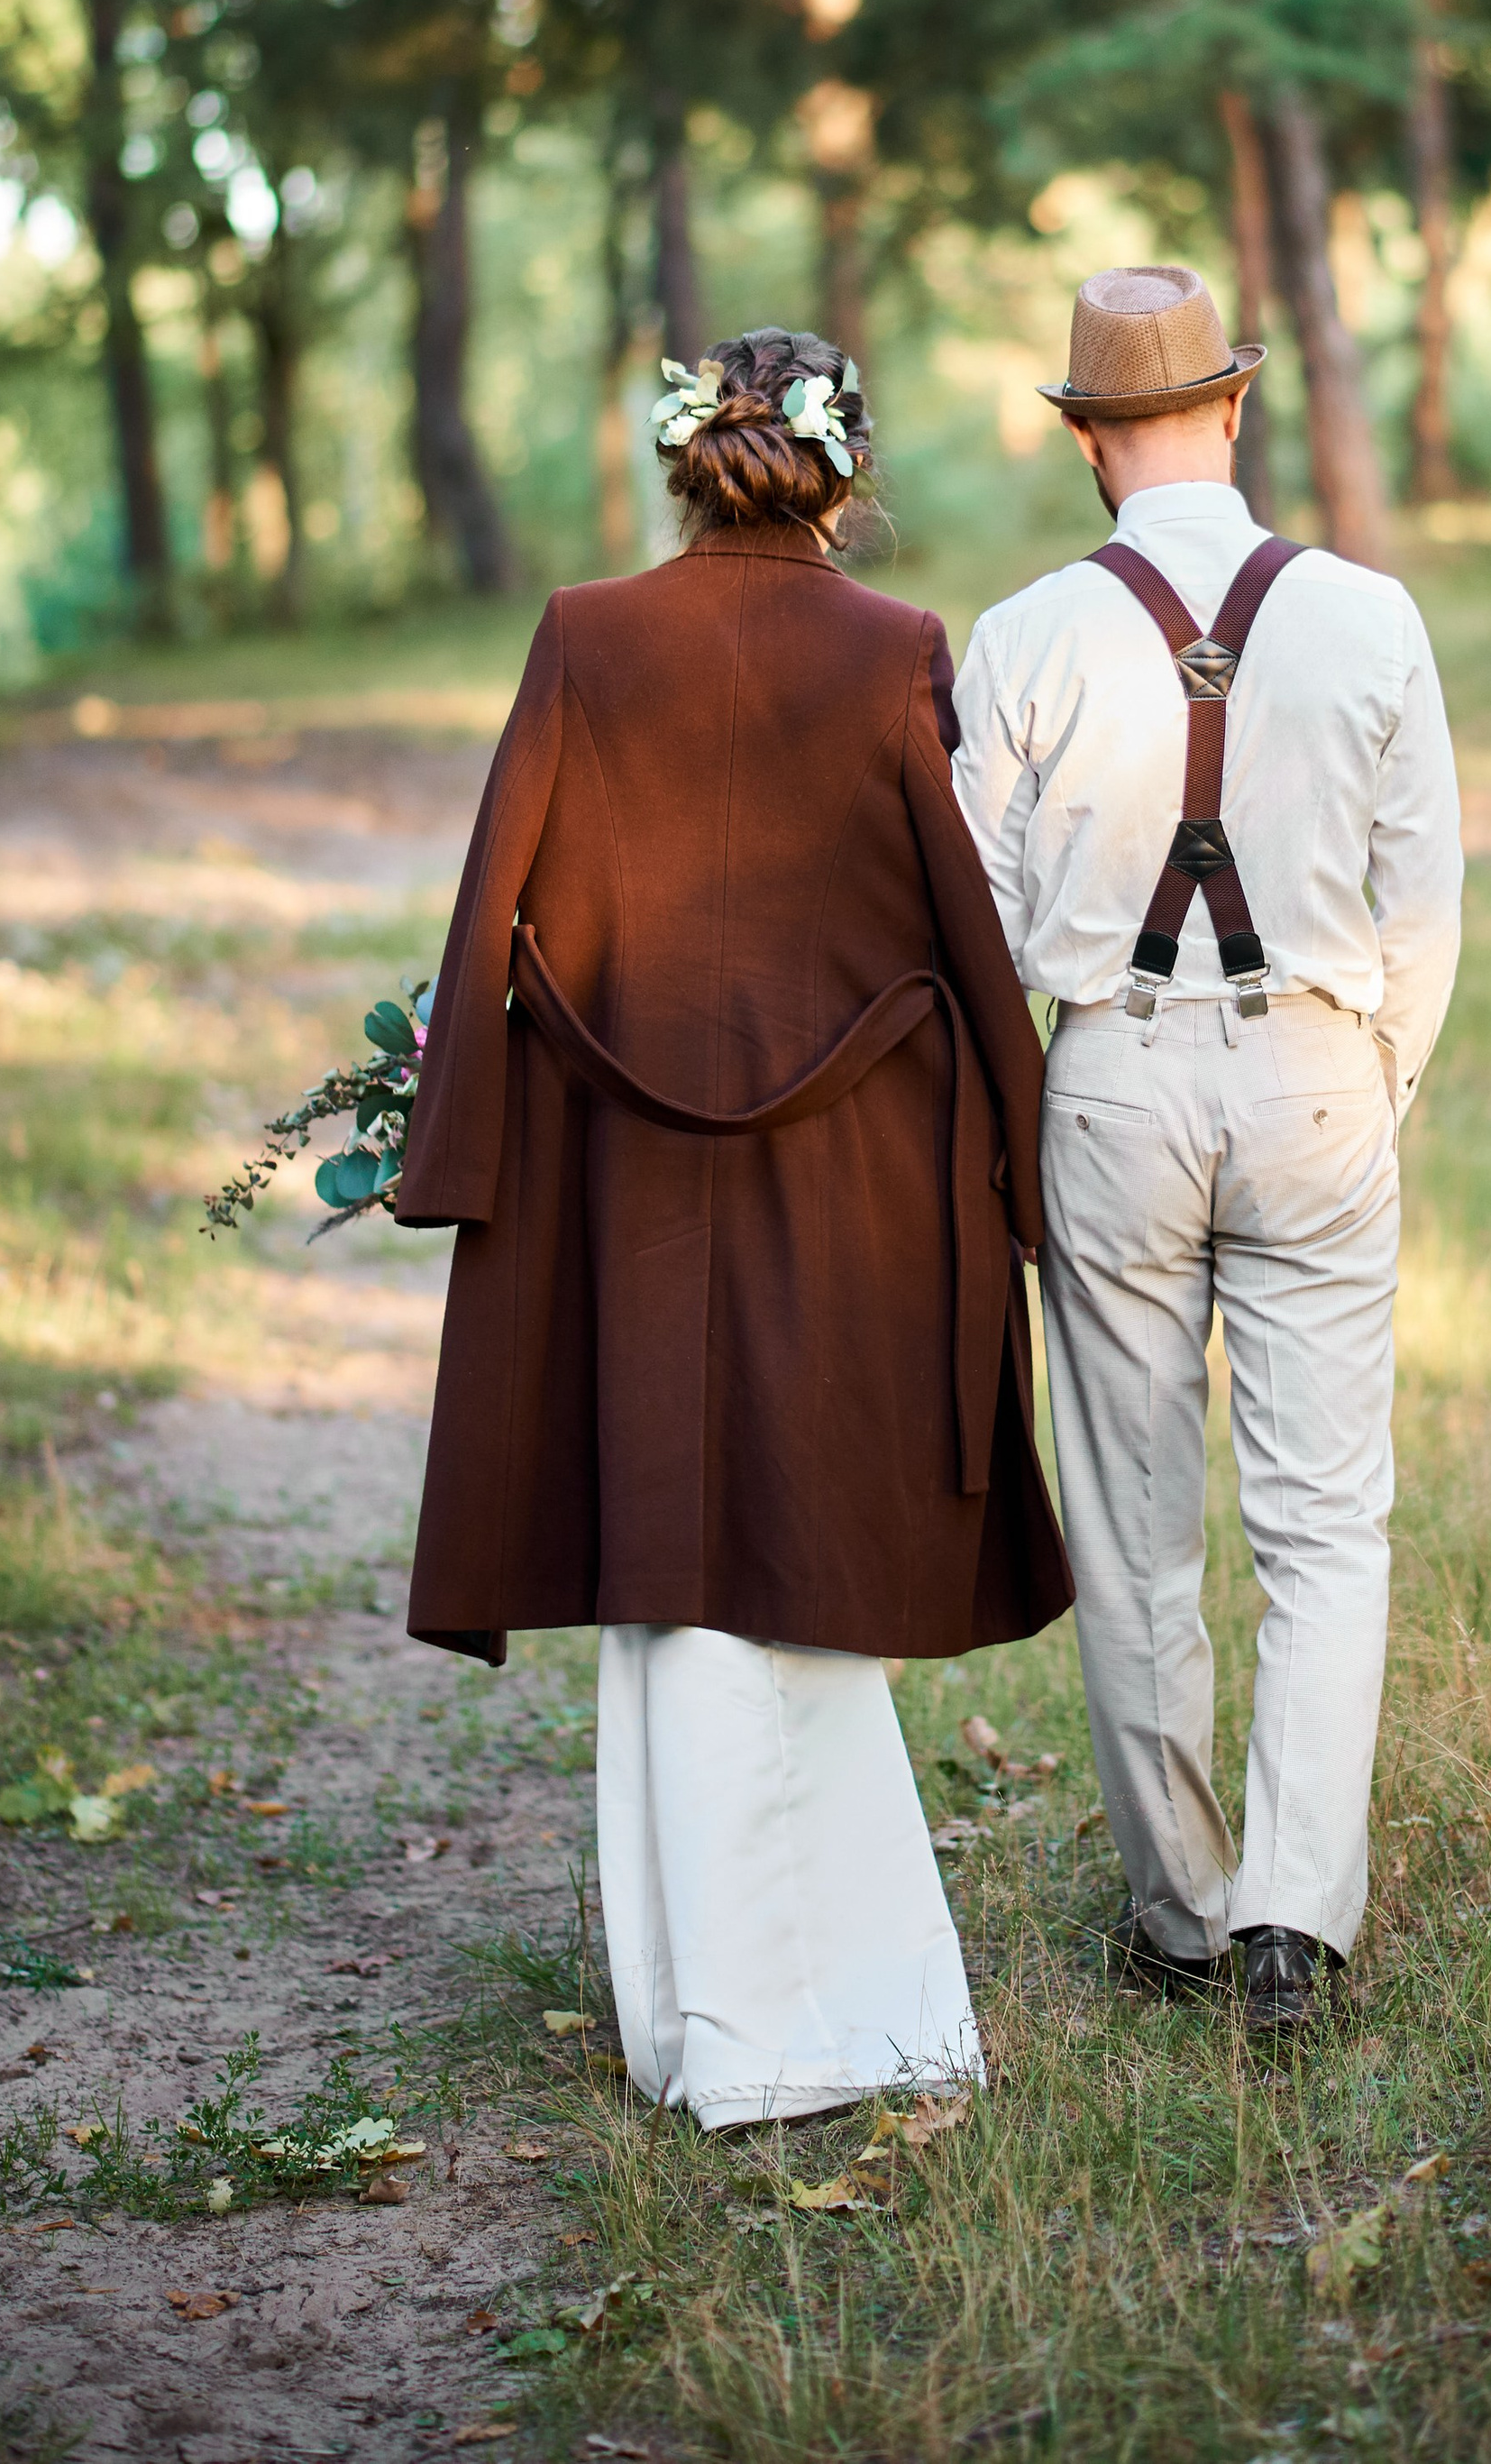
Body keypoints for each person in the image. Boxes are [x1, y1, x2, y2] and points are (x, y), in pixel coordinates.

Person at [394, 328, 1071, 2130]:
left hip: (625, 1180)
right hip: (848, 1178)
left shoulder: (580, 636)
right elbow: (961, 937)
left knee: (674, 1566)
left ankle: (706, 2016)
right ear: (841, 473)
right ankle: (818, 2018)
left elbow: (493, 905)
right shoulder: (892, 650)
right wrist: (1021, 1164)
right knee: (797, 1566)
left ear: (687, 457)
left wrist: (455, 1152)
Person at [952, 264, 1462, 2042]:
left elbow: (981, 914)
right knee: (1326, 1523)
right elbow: (1423, 912)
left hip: (1107, 1089)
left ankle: (1176, 1911)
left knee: (1135, 1516)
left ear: (1090, 439)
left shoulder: (1019, 637)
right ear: (1230, 409)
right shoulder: (1370, 616)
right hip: (1320, 1079)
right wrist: (1352, 1092)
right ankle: (1291, 1927)